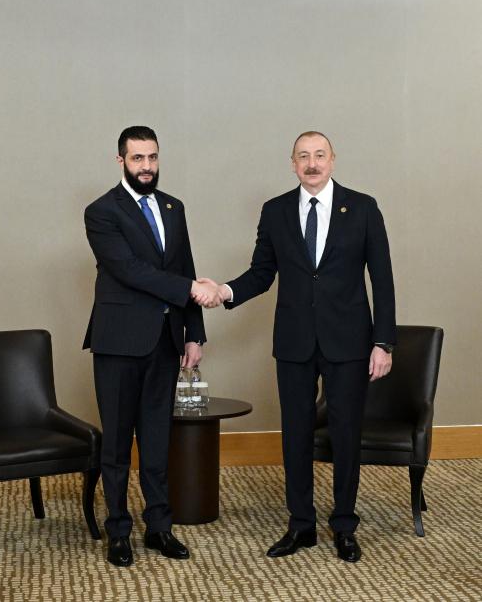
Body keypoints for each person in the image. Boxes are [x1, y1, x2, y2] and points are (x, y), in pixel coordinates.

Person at [194, 131, 395, 562]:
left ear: (333, 160)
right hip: (294, 341)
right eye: (303, 156)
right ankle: (301, 524)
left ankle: (344, 525)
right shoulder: (276, 210)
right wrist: (225, 290)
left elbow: (382, 278)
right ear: (293, 164)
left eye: (319, 155)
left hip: (349, 341)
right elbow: (261, 273)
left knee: (346, 435)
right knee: (296, 435)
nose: (312, 163)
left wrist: (383, 342)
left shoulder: (363, 207)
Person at [83, 126, 218, 567]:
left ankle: (159, 526)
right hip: (118, 341)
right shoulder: (101, 211)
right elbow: (129, 269)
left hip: (165, 340)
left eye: (152, 157)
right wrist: (192, 289)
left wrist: (194, 332)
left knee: (158, 440)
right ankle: (118, 530)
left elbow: (185, 265)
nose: (147, 166)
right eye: (137, 158)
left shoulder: (174, 207)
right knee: (117, 444)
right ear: (120, 160)